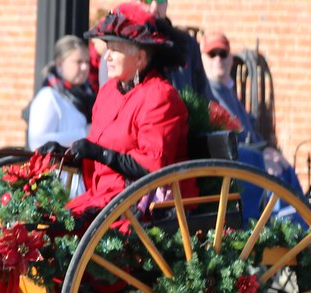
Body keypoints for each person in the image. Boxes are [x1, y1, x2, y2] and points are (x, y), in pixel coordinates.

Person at [38, 2, 191, 221]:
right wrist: (65, 153)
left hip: (135, 209)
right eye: (106, 47)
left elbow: (153, 166)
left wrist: (101, 153)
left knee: (57, 229)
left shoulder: (160, 97)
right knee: (42, 224)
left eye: (115, 49)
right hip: (101, 199)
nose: (106, 56)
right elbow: (96, 155)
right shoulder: (109, 91)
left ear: (140, 57)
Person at [27, 35, 95, 198]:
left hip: (78, 183)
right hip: (56, 186)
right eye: (78, 62)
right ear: (59, 64)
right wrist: (84, 134)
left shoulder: (87, 95)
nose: (85, 67)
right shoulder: (48, 96)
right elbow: (37, 141)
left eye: (87, 62)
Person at [132, 0, 210, 99]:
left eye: (160, 0)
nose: (154, 6)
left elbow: (203, 98)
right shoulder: (120, 46)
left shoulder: (186, 44)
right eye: (147, 0)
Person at [200, 32, 262, 145]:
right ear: (202, 58)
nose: (218, 59)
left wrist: (266, 149)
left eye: (223, 54)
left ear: (230, 58)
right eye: (212, 54)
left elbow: (249, 127)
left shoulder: (228, 89)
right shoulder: (205, 92)